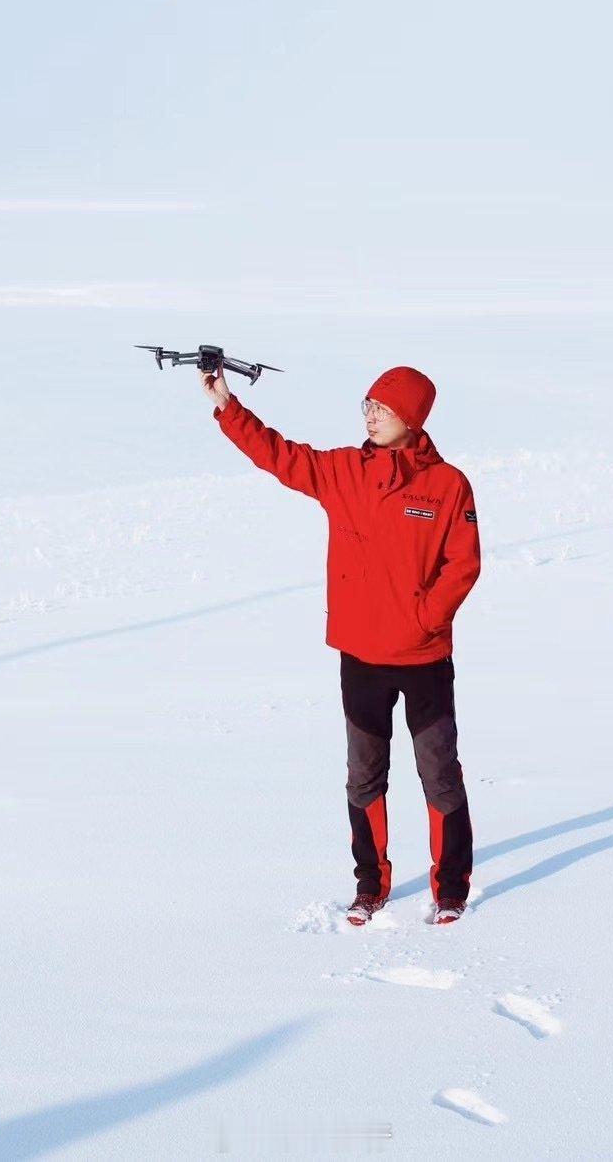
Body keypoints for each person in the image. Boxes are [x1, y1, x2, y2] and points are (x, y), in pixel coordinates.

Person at [199, 361, 482, 925]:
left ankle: (450, 889)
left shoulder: (447, 485)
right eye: (368, 406)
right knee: (363, 774)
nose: (372, 416)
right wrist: (228, 408)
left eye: (385, 409)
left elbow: (463, 565)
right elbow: (280, 455)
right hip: (361, 655)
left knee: (439, 772)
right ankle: (370, 885)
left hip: (424, 656)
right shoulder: (344, 471)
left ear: (413, 418)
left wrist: (426, 617)